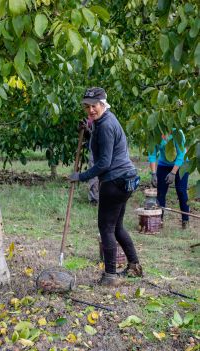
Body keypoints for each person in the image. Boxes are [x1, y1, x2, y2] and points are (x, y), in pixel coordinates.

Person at [69, 87, 142, 287]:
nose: (91, 110)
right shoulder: (102, 121)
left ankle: (110, 276)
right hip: (125, 179)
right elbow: (101, 142)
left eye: (94, 106)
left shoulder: (107, 125)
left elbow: (104, 163)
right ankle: (134, 265)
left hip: (115, 182)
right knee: (116, 226)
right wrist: (89, 129)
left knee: (106, 228)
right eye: (87, 107)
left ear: (103, 104)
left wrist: (81, 176)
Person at [148, 130, 189, 229]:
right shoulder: (154, 133)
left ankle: (185, 221)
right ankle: (159, 221)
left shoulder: (178, 133)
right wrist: (153, 173)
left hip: (182, 164)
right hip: (164, 164)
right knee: (161, 192)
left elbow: (181, 154)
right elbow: (152, 154)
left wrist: (173, 172)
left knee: (181, 191)